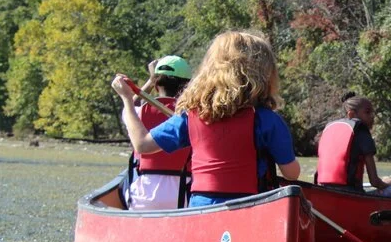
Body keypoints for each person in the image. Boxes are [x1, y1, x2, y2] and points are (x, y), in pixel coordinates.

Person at [111, 31, 301, 207]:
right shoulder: (268, 121)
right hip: (250, 209)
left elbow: (142, 145)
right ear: (265, 74)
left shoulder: (191, 116)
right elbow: (292, 174)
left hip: (201, 210)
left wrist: (127, 100)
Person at [123, 55, 193, 210]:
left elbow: (130, 105)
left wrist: (150, 79)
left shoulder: (138, 113)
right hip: (182, 198)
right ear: (188, 87)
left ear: (156, 86)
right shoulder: (193, 116)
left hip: (143, 197)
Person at [316, 92, 391, 196]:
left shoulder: (329, 129)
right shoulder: (362, 133)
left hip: (323, 192)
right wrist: (388, 183)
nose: (372, 116)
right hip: (351, 195)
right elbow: (374, 182)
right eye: (367, 112)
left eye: (372, 112)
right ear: (351, 114)